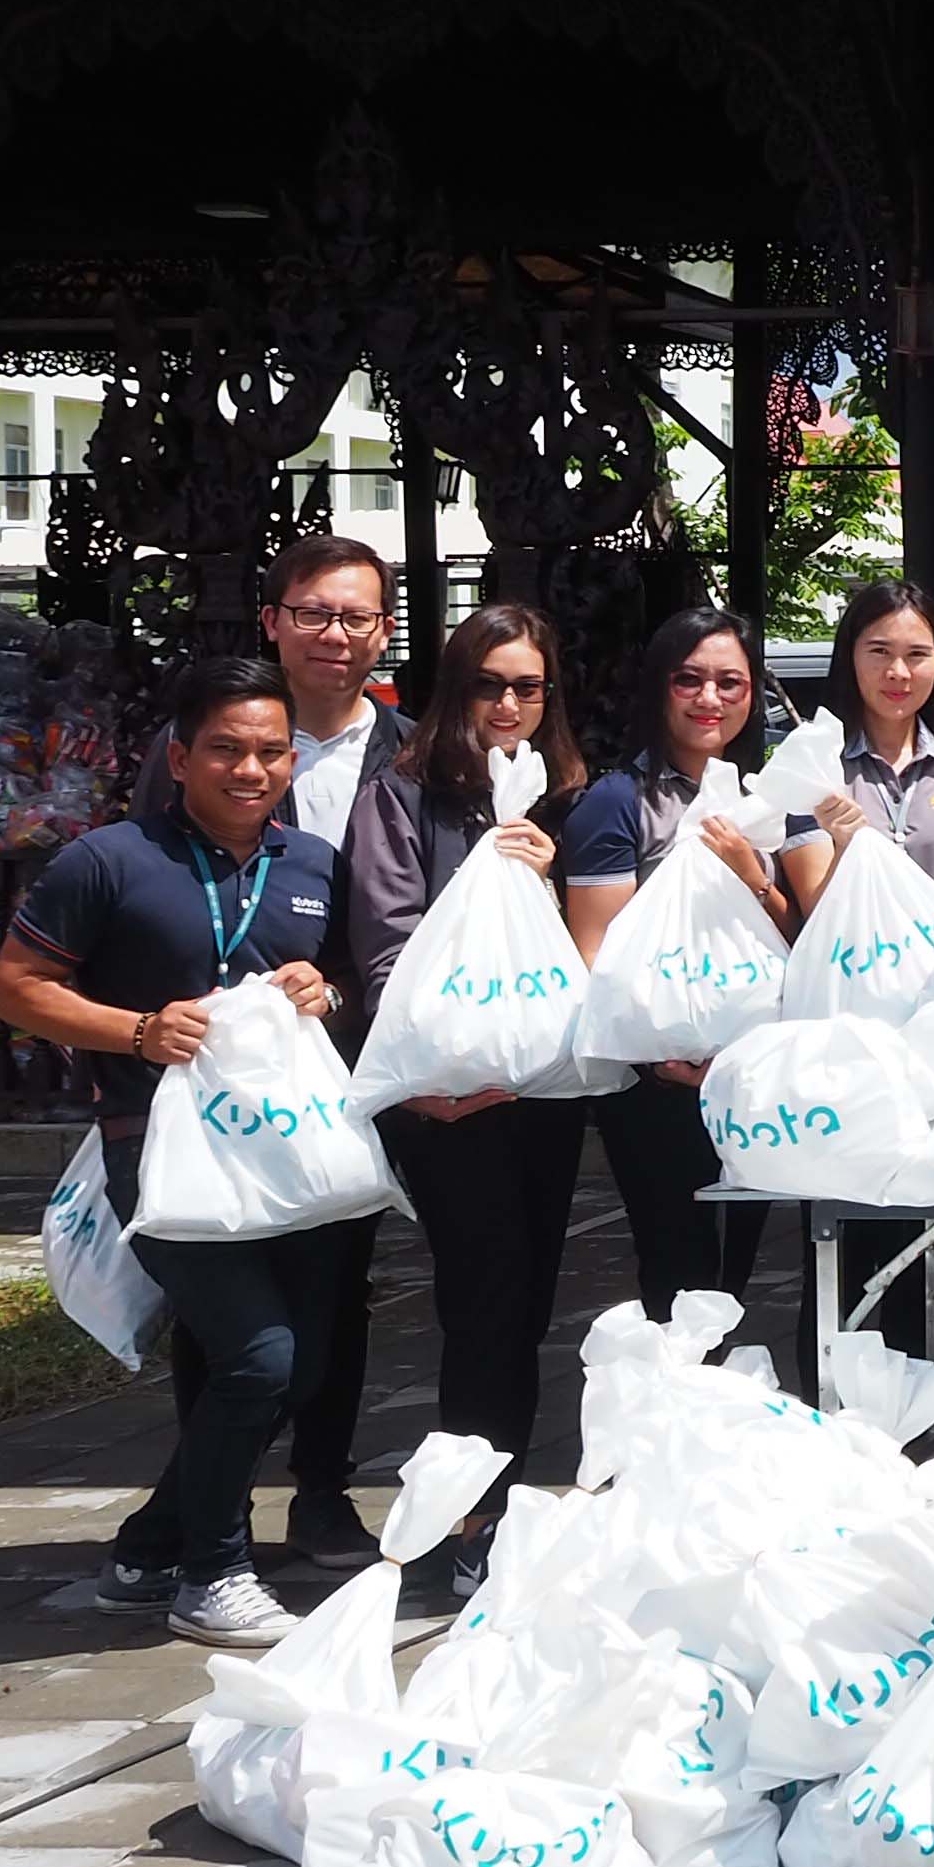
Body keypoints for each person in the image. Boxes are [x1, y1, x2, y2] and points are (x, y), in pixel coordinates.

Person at [0, 657, 353, 1648]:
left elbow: (342, 983)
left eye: (271, 752)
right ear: (181, 758)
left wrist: (328, 993)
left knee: (295, 1363)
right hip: (152, 1151)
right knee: (258, 1354)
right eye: (227, 750)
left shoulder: (314, 863)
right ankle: (213, 1573)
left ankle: (151, 1544)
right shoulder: (107, 861)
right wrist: (139, 1031)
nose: (251, 770)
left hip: (281, 1154)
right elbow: (14, 987)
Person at [332, 603, 591, 1602]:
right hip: (448, 1097)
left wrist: (553, 875)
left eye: (529, 686)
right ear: (454, 688)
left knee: (525, 1304)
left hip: (542, 1094)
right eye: (490, 684)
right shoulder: (402, 797)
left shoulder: (565, 794)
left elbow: (600, 943)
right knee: (478, 1301)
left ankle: (502, 1500)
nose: (509, 705)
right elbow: (391, 944)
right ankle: (461, 1521)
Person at [167, 531, 410, 1566]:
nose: (334, 634)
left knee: (336, 1284)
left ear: (384, 632)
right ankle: (202, 1508)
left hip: (359, 1052)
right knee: (216, 1268)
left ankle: (322, 1491)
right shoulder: (222, 731)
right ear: (272, 620)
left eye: (356, 616)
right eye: (313, 612)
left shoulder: (411, 748)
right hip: (226, 1061)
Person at [564, 609, 786, 1314]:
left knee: (735, 1269)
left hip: (749, 1072)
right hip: (654, 1085)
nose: (709, 699)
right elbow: (593, 950)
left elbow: (798, 932)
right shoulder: (616, 802)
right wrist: (658, 1059)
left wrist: (753, 874)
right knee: (678, 1266)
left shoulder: (769, 797)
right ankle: (671, 1407)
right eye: (688, 680)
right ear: (658, 688)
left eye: (730, 682)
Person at [778, 580, 934, 906]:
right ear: (850, 654)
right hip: (852, 954)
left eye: (917, 654)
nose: (898, 672)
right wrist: (845, 845)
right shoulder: (813, 763)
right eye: (880, 652)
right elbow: (815, 909)